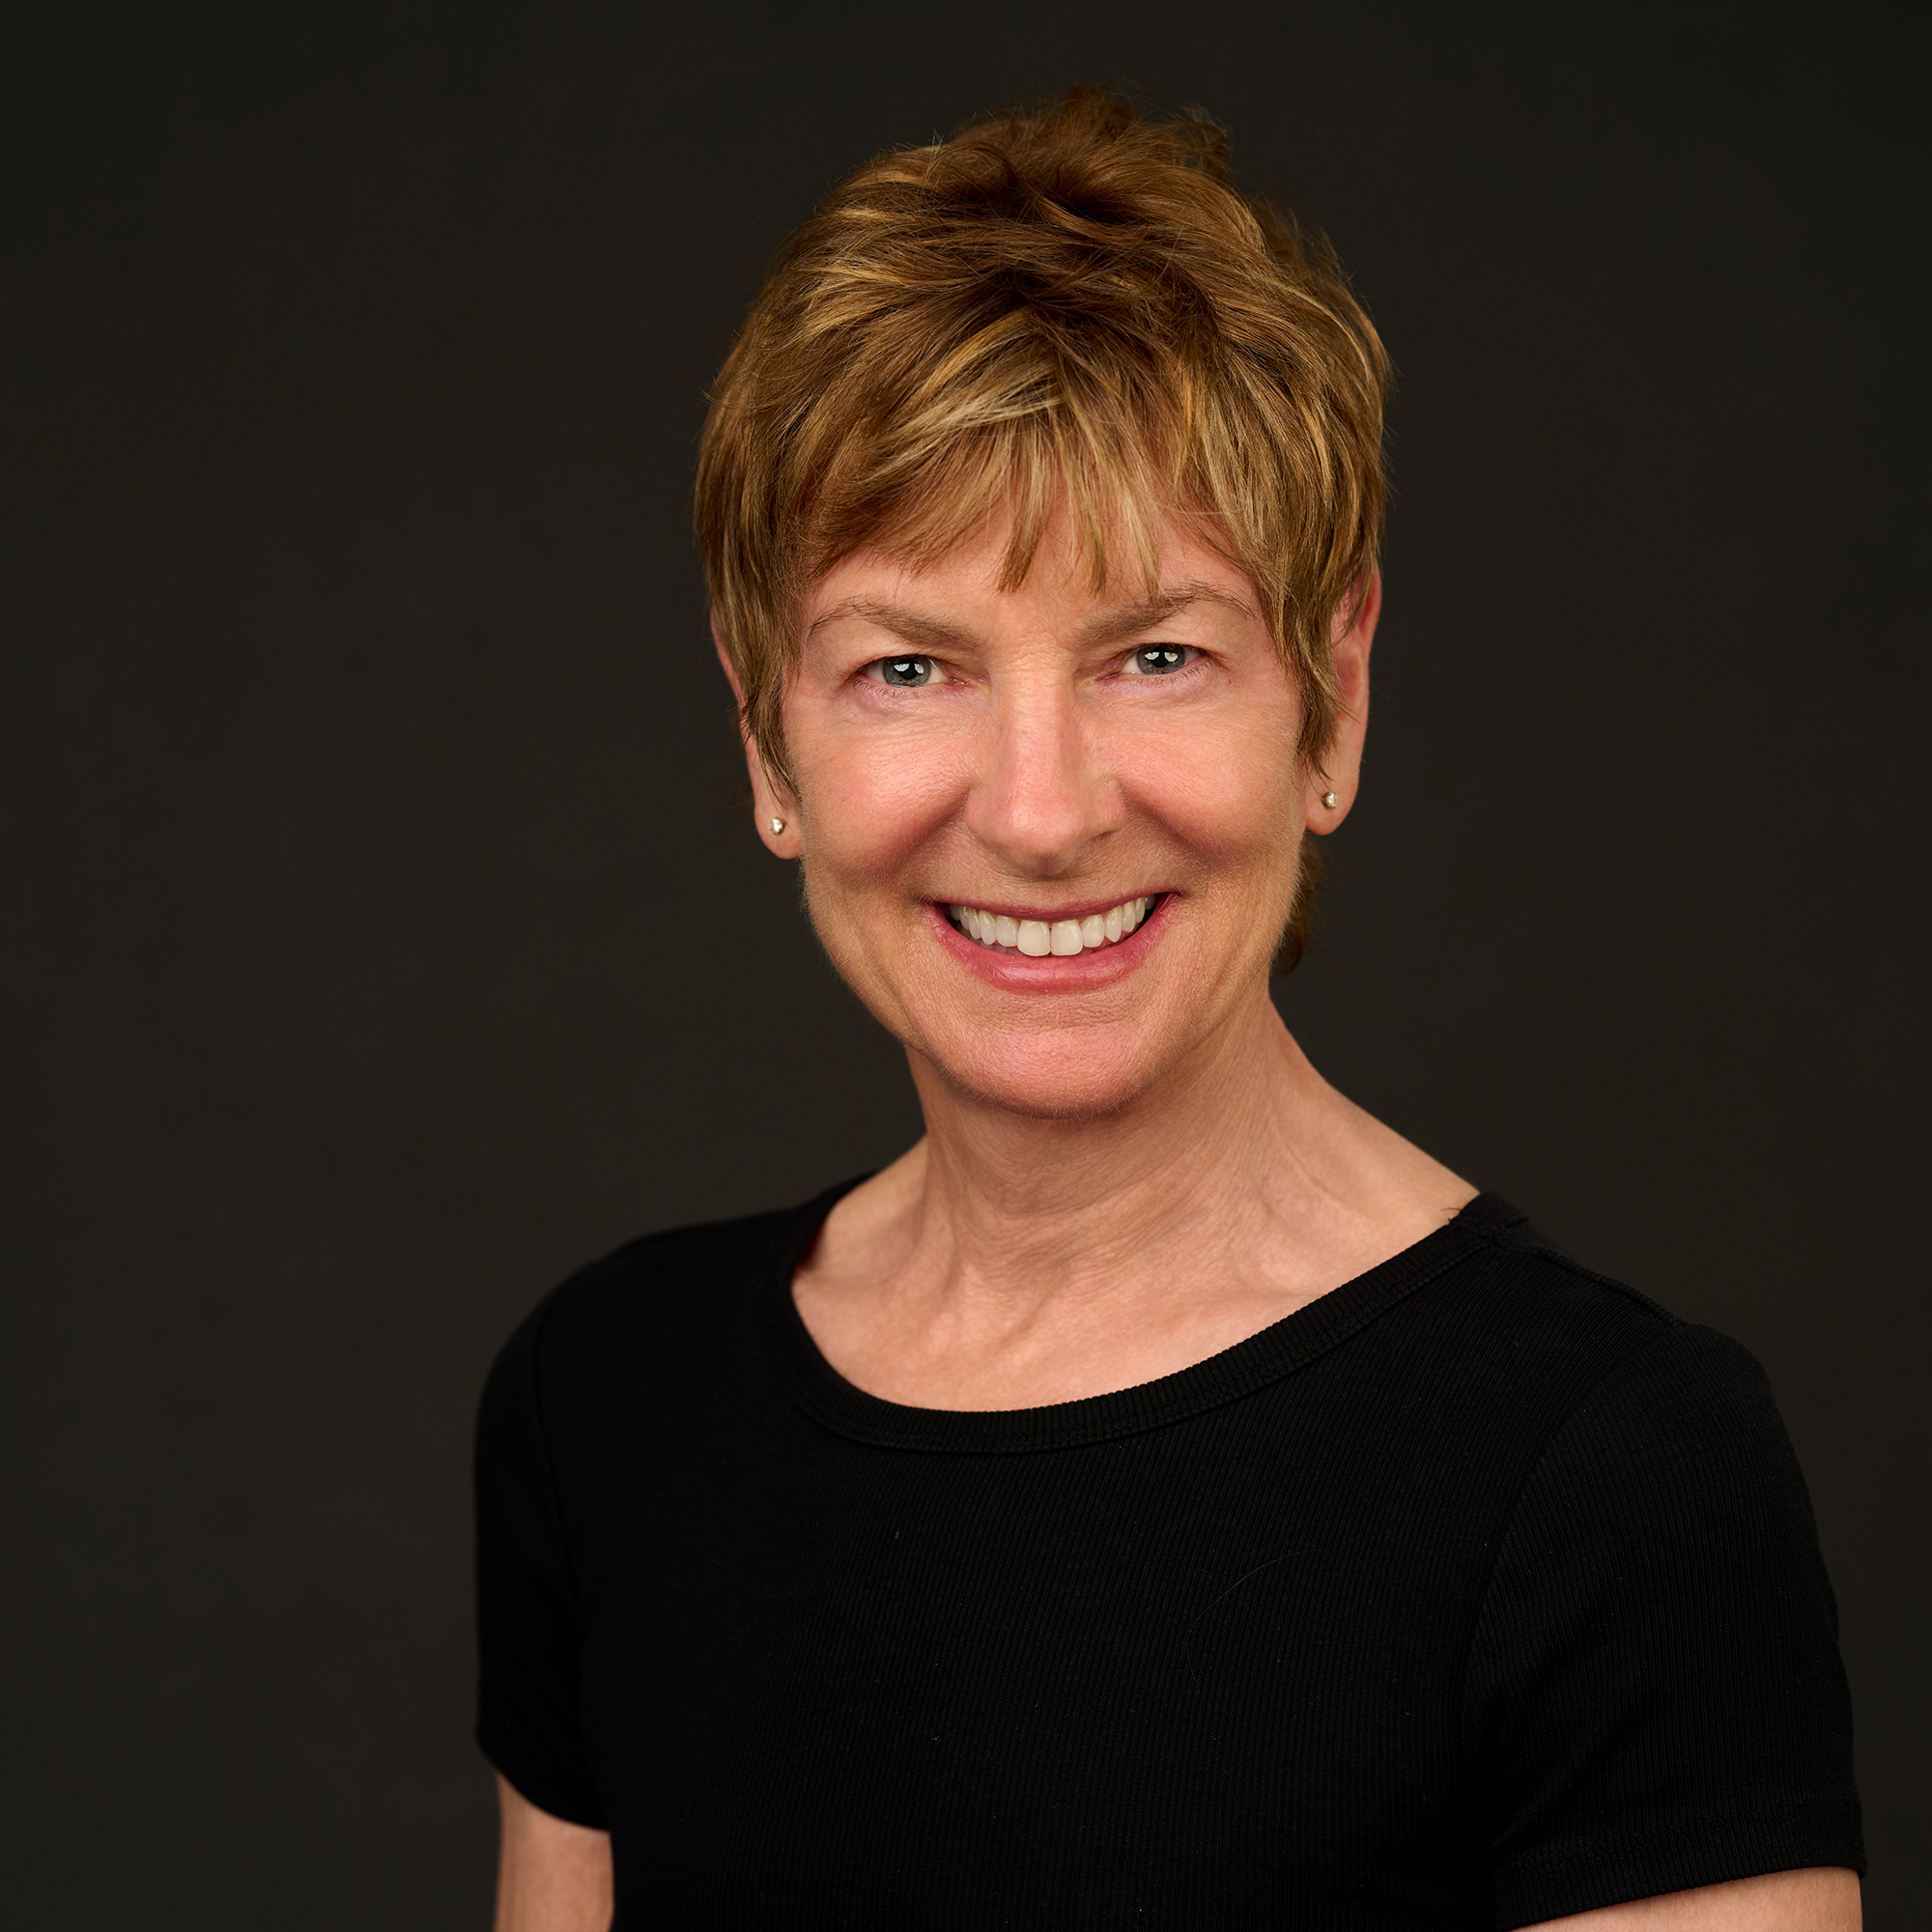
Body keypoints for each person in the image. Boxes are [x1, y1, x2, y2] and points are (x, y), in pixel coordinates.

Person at [474, 89, 1862, 1930]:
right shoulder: (605, 1405)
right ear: (763, 734)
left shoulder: (1614, 1473)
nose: (1042, 812)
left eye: (1156, 654)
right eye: (909, 667)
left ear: (1333, 700)